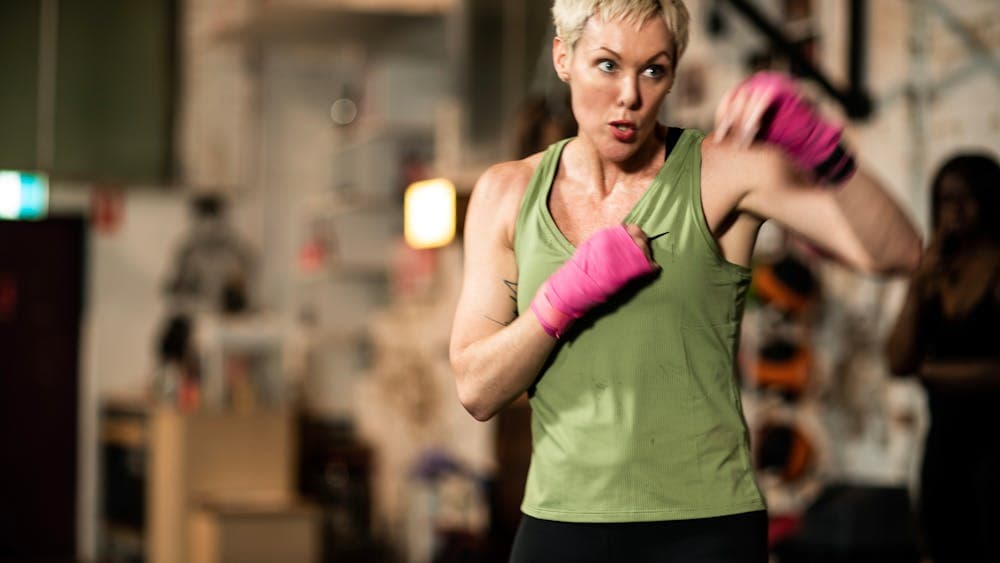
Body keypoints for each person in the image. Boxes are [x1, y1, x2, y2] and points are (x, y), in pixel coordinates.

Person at [449, 1, 922, 561]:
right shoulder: (506, 193)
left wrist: (824, 149)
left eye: (654, 69)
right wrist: (560, 300)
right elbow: (478, 390)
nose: (630, 95)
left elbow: (899, 254)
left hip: (703, 527)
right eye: (606, 65)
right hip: (560, 523)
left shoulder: (726, 173)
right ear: (562, 57)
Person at [886, 153, 1000, 563]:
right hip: (944, 444)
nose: (955, 210)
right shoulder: (936, 270)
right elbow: (897, 361)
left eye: (966, 198)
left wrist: (932, 372)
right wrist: (918, 284)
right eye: (946, 199)